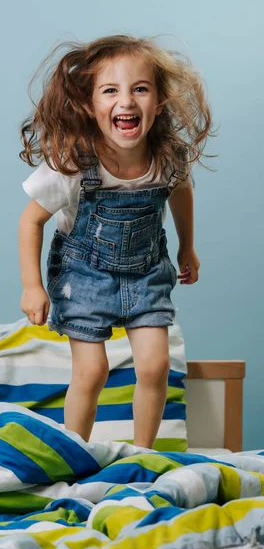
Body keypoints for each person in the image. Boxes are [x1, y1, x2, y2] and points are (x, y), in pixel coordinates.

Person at [18, 34, 215, 448]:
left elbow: (181, 192)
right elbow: (30, 222)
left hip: (146, 274)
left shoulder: (166, 157)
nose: (126, 101)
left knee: (156, 365)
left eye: (139, 89)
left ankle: (141, 453)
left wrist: (187, 246)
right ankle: (74, 453)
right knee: (91, 372)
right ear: (90, 106)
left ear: (158, 101)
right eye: (110, 91)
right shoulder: (74, 163)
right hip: (84, 275)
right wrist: (32, 286)